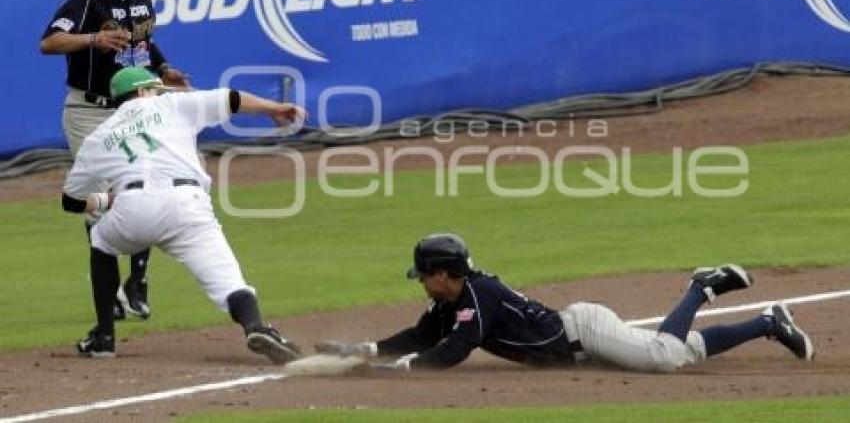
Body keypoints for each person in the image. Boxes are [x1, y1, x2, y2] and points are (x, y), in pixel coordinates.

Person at [61, 67, 303, 363]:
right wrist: (274, 107)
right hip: (188, 205)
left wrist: (105, 199)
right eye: (155, 88)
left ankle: (104, 337)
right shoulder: (173, 104)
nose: (160, 91)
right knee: (230, 283)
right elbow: (232, 98)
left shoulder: (99, 136)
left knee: (101, 240)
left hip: (131, 206)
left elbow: (70, 202)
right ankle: (255, 326)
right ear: (141, 92)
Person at [316, 233, 814, 371]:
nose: (421, 284)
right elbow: (424, 336)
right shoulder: (453, 299)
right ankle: (768, 322)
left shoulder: (477, 296)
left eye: (424, 276)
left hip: (586, 331)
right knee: (684, 351)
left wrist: (404, 369)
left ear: (444, 274)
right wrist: (369, 349)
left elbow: (455, 348)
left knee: (666, 357)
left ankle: (700, 286)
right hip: (578, 337)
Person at [41, 0, 190, 321]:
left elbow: (145, 42)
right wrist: (92, 39)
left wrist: (162, 68)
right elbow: (50, 42)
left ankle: (137, 283)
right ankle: (109, 299)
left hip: (132, 106)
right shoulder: (86, 0)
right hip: (88, 110)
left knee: (145, 186)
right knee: (98, 203)